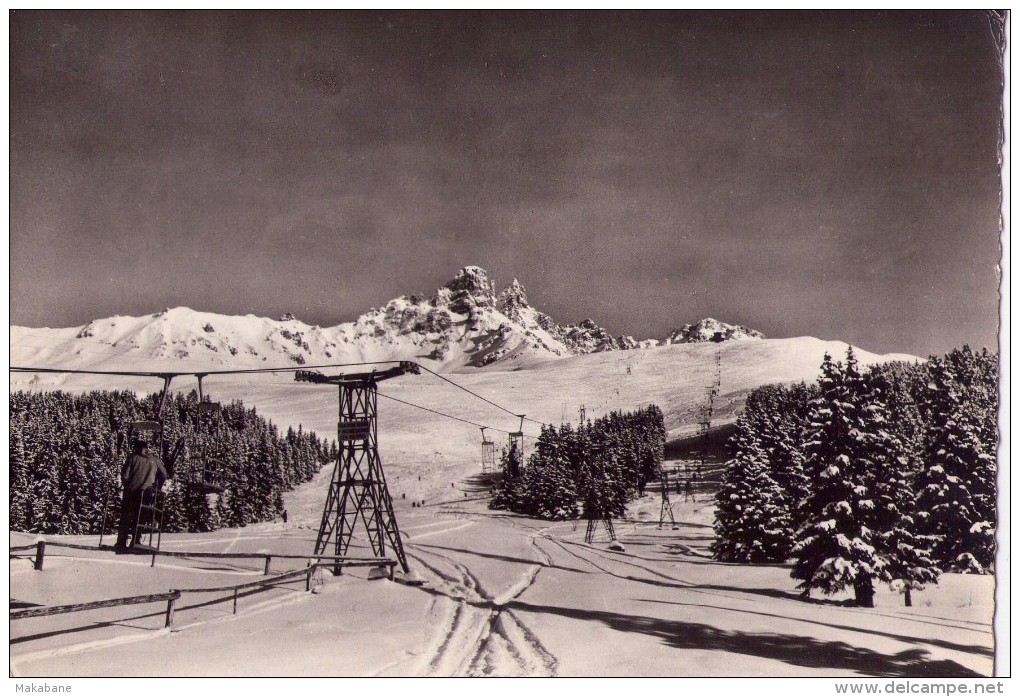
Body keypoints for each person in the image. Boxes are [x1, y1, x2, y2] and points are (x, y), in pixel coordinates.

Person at [116, 438, 169, 549]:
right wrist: (157, 486)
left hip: (131, 491)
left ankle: (121, 541)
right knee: (140, 517)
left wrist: (126, 484)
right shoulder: (155, 460)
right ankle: (136, 541)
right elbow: (164, 474)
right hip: (146, 492)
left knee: (126, 516)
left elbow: (125, 475)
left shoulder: (133, 458)